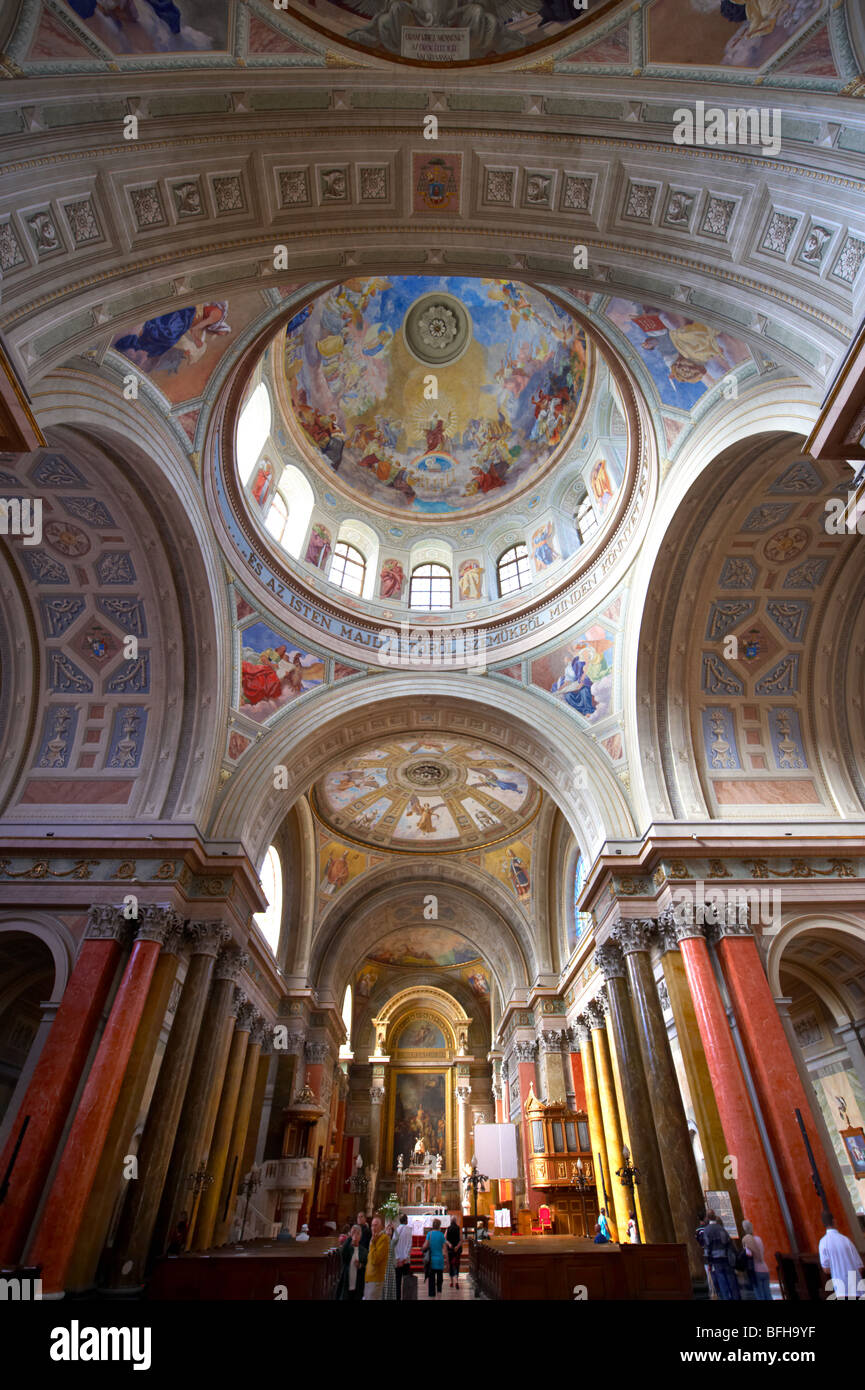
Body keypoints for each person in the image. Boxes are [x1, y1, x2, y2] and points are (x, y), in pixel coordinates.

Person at [818, 1211, 864, 1300]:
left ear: (823, 1224)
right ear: (834, 1221)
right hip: (857, 1287)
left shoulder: (823, 1242)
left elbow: (826, 1269)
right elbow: (860, 1266)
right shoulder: (846, 1240)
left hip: (841, 1289)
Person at [696, 1210, 740, 1301]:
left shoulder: (707, 1230)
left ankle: (726, 1297)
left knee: (721, 1281)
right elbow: (728, 1243)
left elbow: (707, 1247)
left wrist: (708, 1261)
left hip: (716, 1260)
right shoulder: (721, 1228)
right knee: (731, 1280)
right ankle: (735, 1297)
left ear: (707, 1218)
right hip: (725, 1258)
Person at [741, 1219, 771, 1300]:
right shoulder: (758, 1239)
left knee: (760, 1295)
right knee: (768, 1294)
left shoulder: (747, 1240)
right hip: (765, 1268)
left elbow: (749, 1254)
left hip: (756, 1270)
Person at [337, 1225, 367, 1300]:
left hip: (358, 1285)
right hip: (346, 1283)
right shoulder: (347, 1248)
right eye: (354, 1233)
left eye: (358, 1234)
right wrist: (350, 1237)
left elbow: (367, 1266)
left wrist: (360, 1265)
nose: (356, 1235)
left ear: (360, 1236)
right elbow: (343, 1254)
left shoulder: (364, 1251)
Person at [364, 1216, 390, 1300]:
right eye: (372, 1225)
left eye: (376, 1225)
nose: (373, 1228)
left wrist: (372, 1244)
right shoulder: (374, 1238)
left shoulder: (383, 1238)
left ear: (382, 1227)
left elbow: (375, 1260)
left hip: (376, 1278)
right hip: (369, 1278)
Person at [423, 1217, 446, 1297]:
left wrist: (423, 1248)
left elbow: (425, 1246)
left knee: (431, 1281)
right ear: (439, 1226)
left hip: (432, 1261)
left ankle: (432, 1297)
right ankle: (439, 1296)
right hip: (440, 1260)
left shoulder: (430, 1234)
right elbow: (444, 1249)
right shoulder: (441, 1235)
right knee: (439, 1280)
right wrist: (446, 1260)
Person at [393, 1213, 414, 1301]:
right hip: (406, 1261)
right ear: (406, 1221)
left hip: (398, 1261)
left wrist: (398, 1259)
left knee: (397, 1282)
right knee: (406, 1281)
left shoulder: (396, 1230)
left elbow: (394, 1245)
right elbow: (409, 1245)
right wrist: (404, 1258)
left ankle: (397, 1297)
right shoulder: (408, 1230)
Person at [445, 1217, 463, 1287]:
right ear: (455, 1221)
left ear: (451, 1221)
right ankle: (456, 1281)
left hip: (450, 1249)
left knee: (451, 1264)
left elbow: (445, 1238)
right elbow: (461, 1239)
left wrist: (449, 1244)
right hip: (457, 1250)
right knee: (456, 1264)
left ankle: (451, 1281)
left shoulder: (448, 1228)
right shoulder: (459, 1228)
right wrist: (457, 1247)